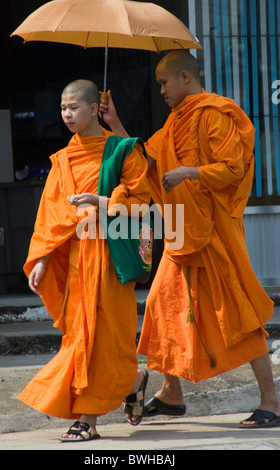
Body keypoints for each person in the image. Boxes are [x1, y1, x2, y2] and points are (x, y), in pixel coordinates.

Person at [100, 50, 280, 429]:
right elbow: (147, 161)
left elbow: (232, 168)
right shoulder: (174, 122)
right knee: (159, 306)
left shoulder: (215, 113)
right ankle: (171, 394)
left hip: (215, 235)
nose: (161, 91)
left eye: (164, 83)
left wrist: (190, 172)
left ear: (185, 76)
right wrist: (114, 123)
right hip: (183, 233)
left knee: (239, 316)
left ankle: (272, 402)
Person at [18, 79, 150, 442]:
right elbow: (51, 216)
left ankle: (87, 420)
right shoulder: (62, 160)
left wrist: (101, 202)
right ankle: (133, 381)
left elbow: (143, 207)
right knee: (82, 336)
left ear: (95, 109)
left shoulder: (123, 151)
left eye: (74, 107)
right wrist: (42, 259)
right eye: (62, 108)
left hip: (111, 261)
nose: (66, 115)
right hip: (78, 263)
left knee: (106, 339)